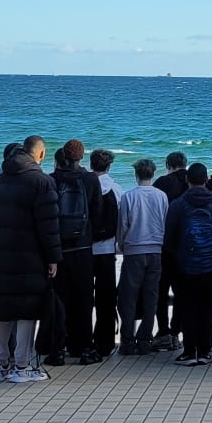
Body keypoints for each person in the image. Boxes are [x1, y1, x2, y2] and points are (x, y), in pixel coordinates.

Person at [0, 138, 59, 383]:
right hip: (31, 255)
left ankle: (0, 365)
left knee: (1, 309)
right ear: (41, 154)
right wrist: (53, 258)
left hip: (1, 253)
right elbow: (49, 225)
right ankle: (23, 365)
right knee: (27, 311)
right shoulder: (41, 181)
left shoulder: (1, 179)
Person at [165, 162, 212, 365]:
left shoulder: (177, 205)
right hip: (211, 264)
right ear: (206, 180)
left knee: (187, 306)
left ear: (187, 180)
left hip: (185, 265)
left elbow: (169, 238)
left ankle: (189, 351)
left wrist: (175, 260)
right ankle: (205, 350)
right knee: (207, 307)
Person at [49, 140, 100, 364]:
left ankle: (58, 349)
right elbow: (97, 212)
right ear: (81, 156)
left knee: (60, 301)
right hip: (83, 247)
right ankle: (85, 347)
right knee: (84, 299)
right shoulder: (90, 179)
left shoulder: (51, 179)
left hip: (59, 249)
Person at [117, 157, 169, 356]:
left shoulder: (128, 197)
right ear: (153, 174)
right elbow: (164, 221)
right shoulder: (161, 196)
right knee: (151, 296)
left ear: (136, 174)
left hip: (134, 250)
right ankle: (145, 339)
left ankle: (127, 340)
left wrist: (122, 245)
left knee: (128, 297)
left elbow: (123, 225)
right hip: (156, 249)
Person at [152, 150, 189, 350]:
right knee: (182, 291)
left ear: (168, 165)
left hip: (164, 244)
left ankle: (163, 331)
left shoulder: (162, 183)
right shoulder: (193, 181)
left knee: (161, 290)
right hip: (186, 246)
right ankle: (176, 332)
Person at [88, 149, 122, 359]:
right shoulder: (116, 189)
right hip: (107, 249)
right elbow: (121, 221)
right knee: (106, 298)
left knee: (83, 297)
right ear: (109, 166)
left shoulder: (85, 185)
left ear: (91, 164)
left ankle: (82, 340)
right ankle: (105, 341)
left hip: (85, 248)